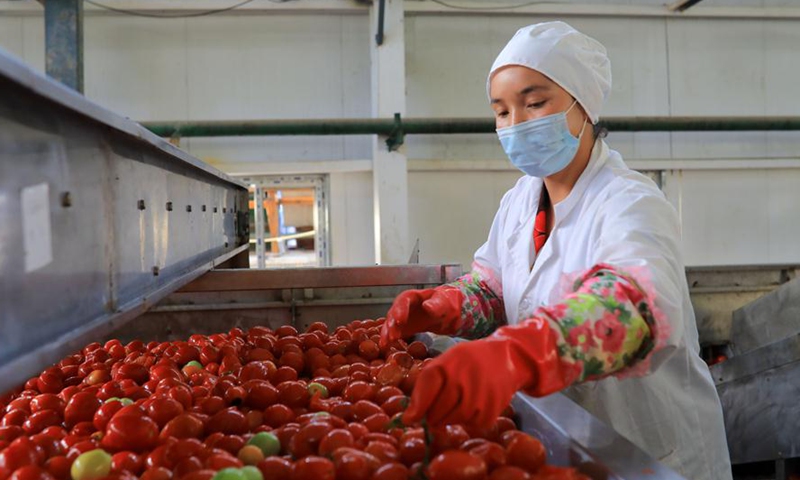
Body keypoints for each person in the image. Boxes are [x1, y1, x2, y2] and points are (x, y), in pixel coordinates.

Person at [379, 21, 732, 480]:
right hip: (570, 437)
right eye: (502, 111)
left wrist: (517, 354)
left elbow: (630, 305)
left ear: (583, 104)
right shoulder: (519, 202)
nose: (515, 124)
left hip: (650, 449)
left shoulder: (631, 202)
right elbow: (496, 287)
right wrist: (444, 307)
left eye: (535, 103)